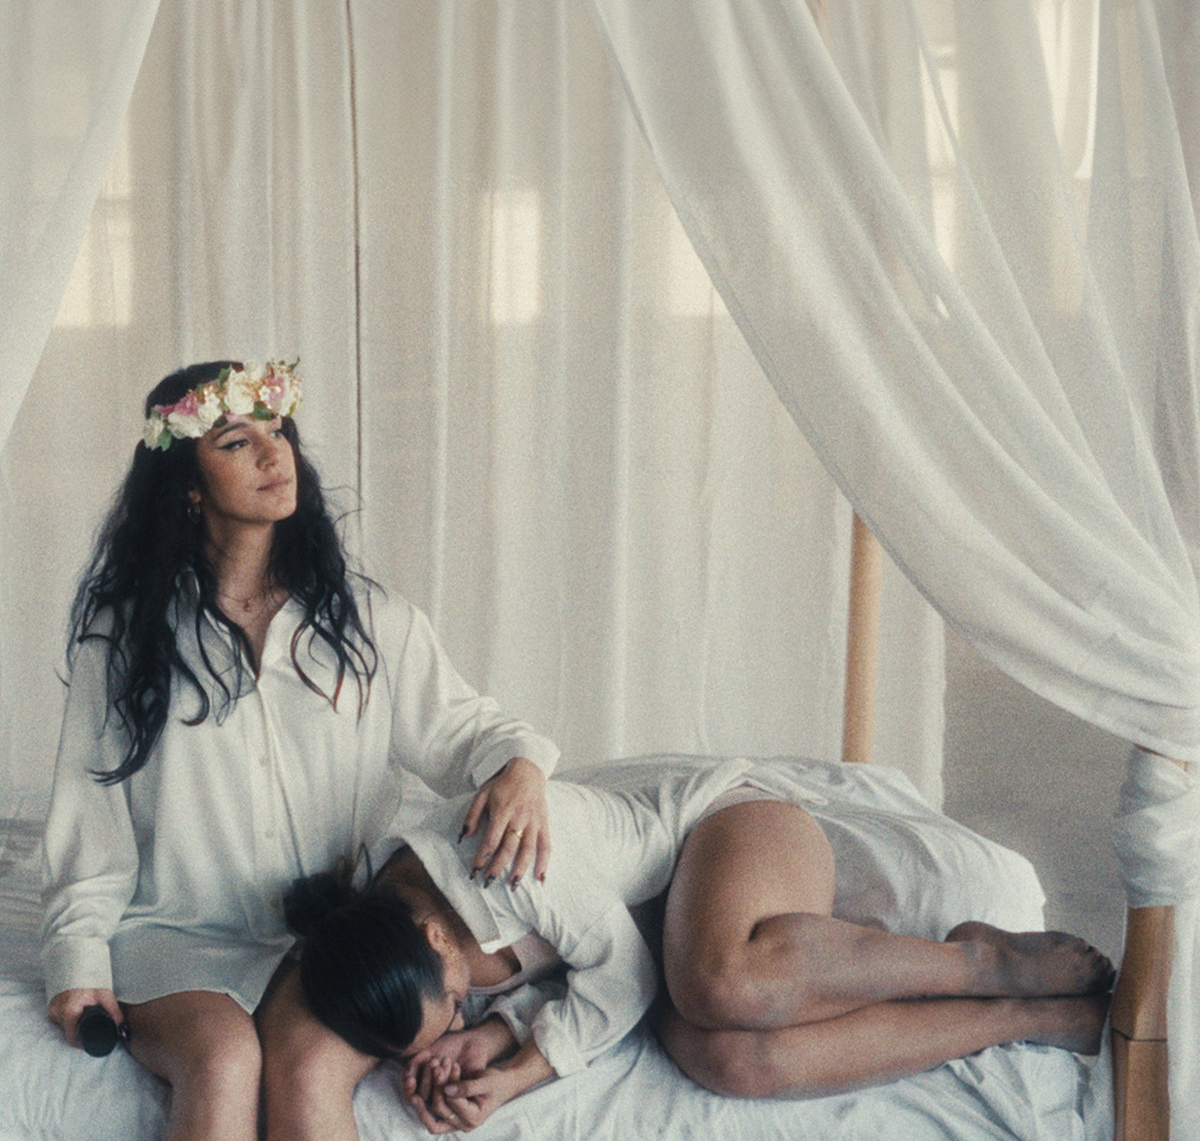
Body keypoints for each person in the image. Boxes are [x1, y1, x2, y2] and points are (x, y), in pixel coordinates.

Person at [41, 359, 559, 1141]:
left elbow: (464, 732)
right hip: (173, 935)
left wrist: (521, 765)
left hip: (334, 939)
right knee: (223, 1060)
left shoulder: (368, 622)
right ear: (187, 485)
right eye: (235, 442)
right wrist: (78, 960)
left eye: (277, 432)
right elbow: (91, 819)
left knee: (306, 1066)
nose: (272, 454)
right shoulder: (123, 641)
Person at [285, 758, 1114, 1134]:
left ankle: (974, 962)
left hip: (724, 828)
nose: (466, 1005)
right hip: (658, 929)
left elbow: (620, 976)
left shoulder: (500, 862)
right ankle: (1015, 1018)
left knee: (722, 985)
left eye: (456, 1000)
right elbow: (561, 972)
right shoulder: (404, 932)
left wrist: (516, 1076)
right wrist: (490, 1037)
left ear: (436, 938)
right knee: (735, 1061)